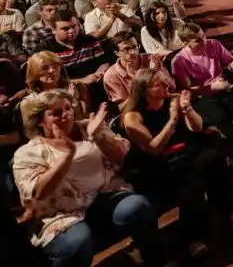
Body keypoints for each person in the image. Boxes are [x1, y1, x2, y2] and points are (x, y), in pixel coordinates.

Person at [13, 90, 169, 267]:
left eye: (68, 108)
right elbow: (37, 193)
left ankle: (156, 260)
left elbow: (120, 155)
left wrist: (98, 136)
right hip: (62, 212)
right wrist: (67, 156)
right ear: (40, 120)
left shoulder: (88, 126)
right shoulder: (28, 152)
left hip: (104, 194)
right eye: (56, 113)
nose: (65, 115)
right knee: (77, 242)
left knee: (137, 206)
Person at [122, 69, 233, 257]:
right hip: (160, 164)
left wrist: (187, 108)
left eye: (164, 81)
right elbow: (154, 148)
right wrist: (172, 119)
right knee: (192, 174)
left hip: (186, 153)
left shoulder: (172, 99)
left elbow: (196, 127)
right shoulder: (133, 117)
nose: (165, 86)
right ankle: (196, 233)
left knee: (212, 157)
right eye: (158, 84)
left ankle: (226, 213)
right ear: (144, 91)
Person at [170, 23, 233, 170]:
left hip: (223, 89)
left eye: (203, 36)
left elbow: (232, 60)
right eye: (198, 40)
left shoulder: (213, 44)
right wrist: (212, 87)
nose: (204, 41)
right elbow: (189, 90)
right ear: (185, 43)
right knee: (220, 117)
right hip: (202, 97)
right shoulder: (178, 61)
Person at [102, 32, 175, 108]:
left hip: (164, 103)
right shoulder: (111, 76)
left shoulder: (150, 59)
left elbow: (171, 85)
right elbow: (122, 108)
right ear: (117, 53)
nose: (133, 52)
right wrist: (138, 89)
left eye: (135, 47)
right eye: (126, 49)